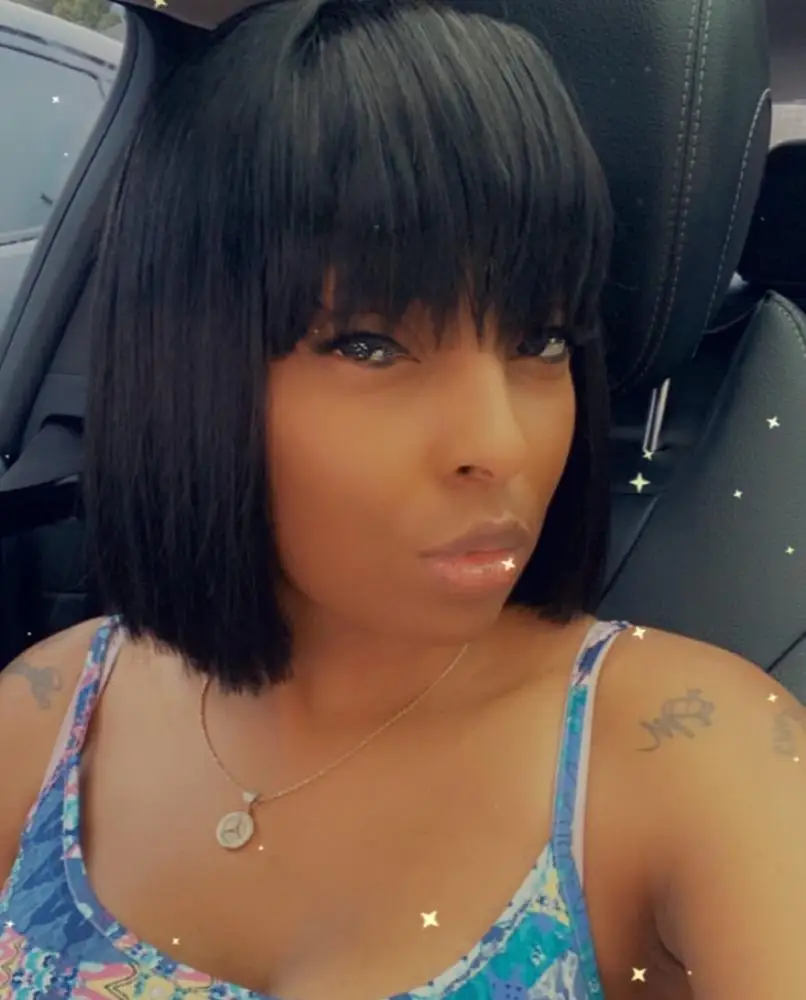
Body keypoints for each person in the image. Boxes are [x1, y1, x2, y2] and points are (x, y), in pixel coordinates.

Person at [0, 0, 804, 997]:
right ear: (187, 367)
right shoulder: (44, 720)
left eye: (541, 341)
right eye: (370, 346)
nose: (497, 445)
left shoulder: (695, 752)